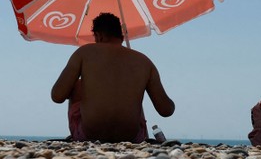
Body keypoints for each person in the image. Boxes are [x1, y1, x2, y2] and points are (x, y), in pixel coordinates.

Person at [51, 12, 175, 143]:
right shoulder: (144, 61)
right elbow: (166, 110)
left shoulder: (83, 53)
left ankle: (79, 133)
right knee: (133, 90)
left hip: (89, 134)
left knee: (77, 84)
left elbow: (57, 96)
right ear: (121, 35)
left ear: (98, 35)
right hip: (131, 137)